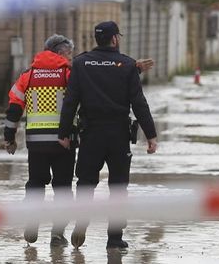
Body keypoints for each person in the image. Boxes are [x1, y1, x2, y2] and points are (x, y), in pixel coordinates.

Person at [57, 21, 157, 249]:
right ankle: (114, 238)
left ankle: (82, 221)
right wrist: (151, 135)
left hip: (90, 133)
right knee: (118, 187)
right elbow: (139, 103)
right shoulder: (127, 65)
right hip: (118, 135)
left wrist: (64, 133)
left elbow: (71, 101)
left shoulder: (81, 63)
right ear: (115, 39)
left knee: (86, 182)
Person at [4, 35, 77, 246]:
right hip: (64, 141)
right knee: (62, 187)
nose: (70, 58)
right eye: (69, 54)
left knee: (35, 183)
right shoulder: (69, 74)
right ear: (60, 53)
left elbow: (14, 109)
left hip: (36, 143)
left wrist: (9, 138)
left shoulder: (28, 75)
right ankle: (57, 233)